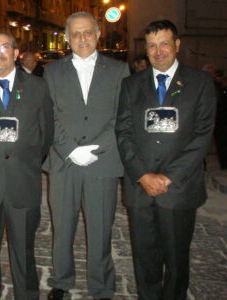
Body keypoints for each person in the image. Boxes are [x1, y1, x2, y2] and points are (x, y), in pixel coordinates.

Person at [115, 20, 216, 300]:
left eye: (164, 43)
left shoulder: (200, 83)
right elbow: (123, 132)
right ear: (145, 50)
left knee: (175, 260)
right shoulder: (131, 85)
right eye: (151, 45)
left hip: (179, 189)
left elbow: (202, 136)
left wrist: (169, 176)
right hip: (140, 187)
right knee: (144, 259)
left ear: (177, 45)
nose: (158, 51)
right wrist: (143, 175)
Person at [42, 12, 129, 300]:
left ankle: (102, 285)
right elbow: (48, 116)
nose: (82, 38)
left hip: (101, 162)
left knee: (101, 228)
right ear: (66, 38)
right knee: (62, 227)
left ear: (98, 34)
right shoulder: (52, 71)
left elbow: (122, 116)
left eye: (88, 32)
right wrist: (70, 150)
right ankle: (61, 281)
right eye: (76, 33)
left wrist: (96, 148)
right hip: (63, 161)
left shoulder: (118, 70)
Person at [0, 30, 53, 300]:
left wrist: (24, 161)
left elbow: (45, 135)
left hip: (23, 183)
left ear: (16, 53)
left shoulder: (38, 87)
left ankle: (27, 295)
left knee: (24, 251)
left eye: (4, 47)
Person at [202, 63, 227, 169]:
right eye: (212, 72)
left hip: (219, 117)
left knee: (222, 142)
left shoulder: (217, 84)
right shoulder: (202, 84)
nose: (214, 74)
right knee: (202, 142)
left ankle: (224, 164)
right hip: (207, 117)